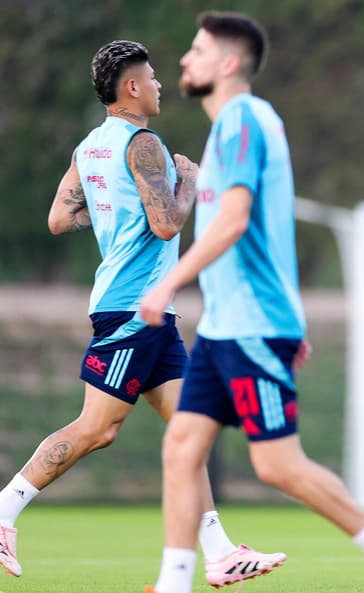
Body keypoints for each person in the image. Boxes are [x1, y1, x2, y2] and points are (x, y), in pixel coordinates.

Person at [137, 12, 364, 593]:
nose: (185, 61)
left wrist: (171, 284)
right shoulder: (229, 129)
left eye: (196, 50)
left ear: (229, 63)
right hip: (227, 329)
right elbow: (265, 230)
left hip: (252, 327)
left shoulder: (244, 118)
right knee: (182, 447)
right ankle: (174, 583)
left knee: (274, 464)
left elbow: (237, 222)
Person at [0, 39, 284, 586]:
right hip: (134, 308)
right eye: (151, 77)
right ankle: (5, 510)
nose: (158, 85)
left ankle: (221, 552)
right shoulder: (144, 143)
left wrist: (114, 218)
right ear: (132, 86)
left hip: (147, 310)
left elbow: (62, 218)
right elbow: (166, 224)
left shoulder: (89, 147)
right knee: (97, 428)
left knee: (188, 430)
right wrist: (191, 182)